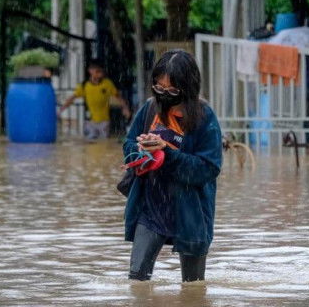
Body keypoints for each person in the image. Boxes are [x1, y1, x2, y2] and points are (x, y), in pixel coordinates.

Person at [123, 50, 222, 282]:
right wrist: (140, 152)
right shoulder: (149, 109)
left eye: (172, 90)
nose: (164, 94)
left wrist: (165, 153)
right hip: (151, 206)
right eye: (159, 88)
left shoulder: (205, 117)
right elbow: (128, 142)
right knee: (137, 281)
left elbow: (208, 168)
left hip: (190, 212)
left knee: (193, 287)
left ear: (188, 88)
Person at [59, 60, 130, 139]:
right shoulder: (84, 85)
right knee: (90, 143)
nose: (101, 74)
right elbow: (72, 98)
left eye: (101, 71)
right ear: (90, 71)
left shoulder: (107, 83)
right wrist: (61, 109)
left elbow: (118, 97)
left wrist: (125, 108)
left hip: (104, 122)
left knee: (104, 143)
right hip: (90, 122)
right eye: (98, 71)